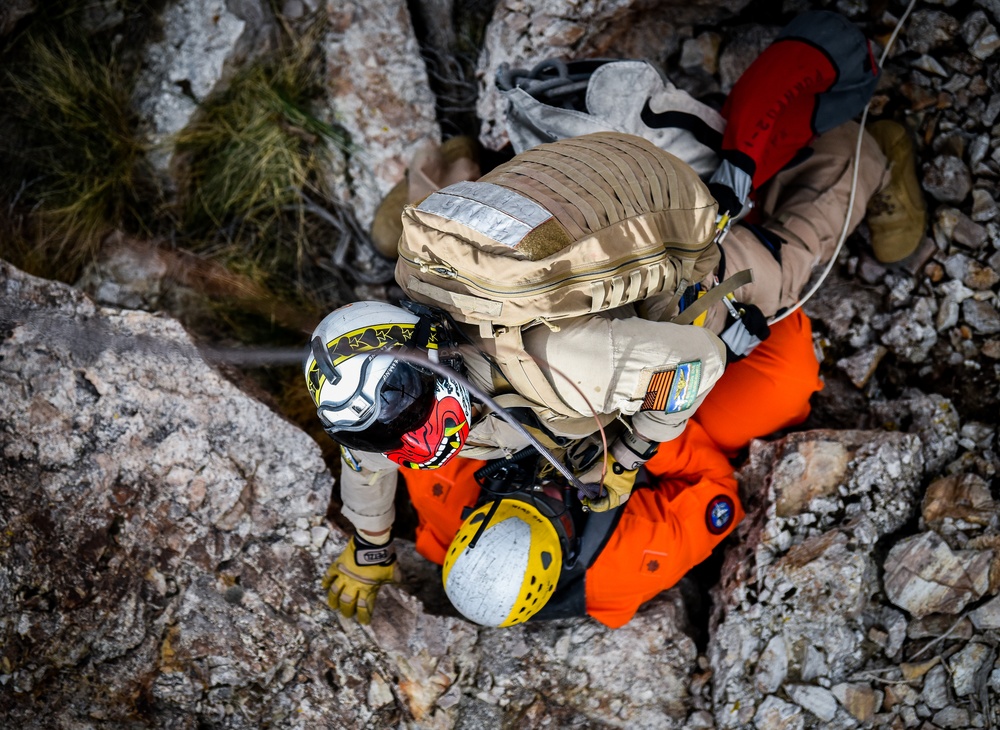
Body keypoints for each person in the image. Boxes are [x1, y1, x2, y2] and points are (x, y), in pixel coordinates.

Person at [305, 10, 927, 628]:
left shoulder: (505, 410)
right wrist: (641, 443)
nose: (542, 487)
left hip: (637, 249)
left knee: (782, 265)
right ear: (563, 552)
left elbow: (683, 363)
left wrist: (626, 454)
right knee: (780, 388)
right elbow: (716, 489)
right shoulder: (619, 570)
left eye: (512, 493)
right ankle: (464, 166)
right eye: (550, 506)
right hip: (586, 269)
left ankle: (859, 155)